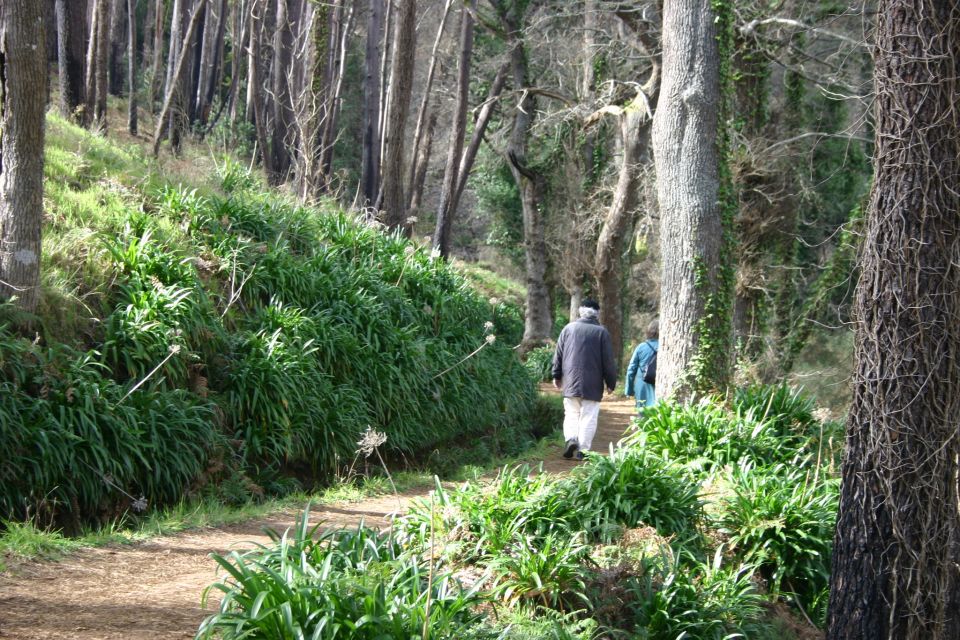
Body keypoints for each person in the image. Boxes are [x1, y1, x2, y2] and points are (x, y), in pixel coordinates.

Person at [551, 298, 617, 460]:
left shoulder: (568, 329)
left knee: (571, 413)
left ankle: (571, 439)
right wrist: (611, 382)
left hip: (570, 379)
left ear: (580, 311)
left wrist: (556, 375)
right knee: (589, 415)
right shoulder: (602, 332)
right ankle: (583, 450)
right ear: (597, 314)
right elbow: (608, 361)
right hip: (593, 383)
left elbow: (558, 354)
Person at [625, 319, 659, 409]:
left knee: (642, 414)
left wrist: (629, 390)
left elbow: (631, 370)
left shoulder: (641, 347)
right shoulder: (666, 346)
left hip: (642, 384)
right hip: (659, 384)